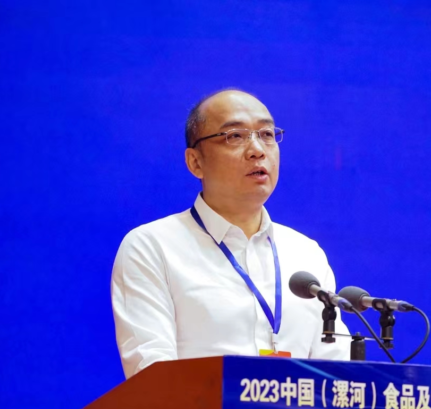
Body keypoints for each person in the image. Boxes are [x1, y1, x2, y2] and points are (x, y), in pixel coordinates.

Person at [111, 89, 349, 379]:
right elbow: (152, 377)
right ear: (195, 162)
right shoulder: (152, 247)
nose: (257, 150)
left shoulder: (305, 254)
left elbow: (338, 375)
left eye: (267, 134)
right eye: (235, 136)